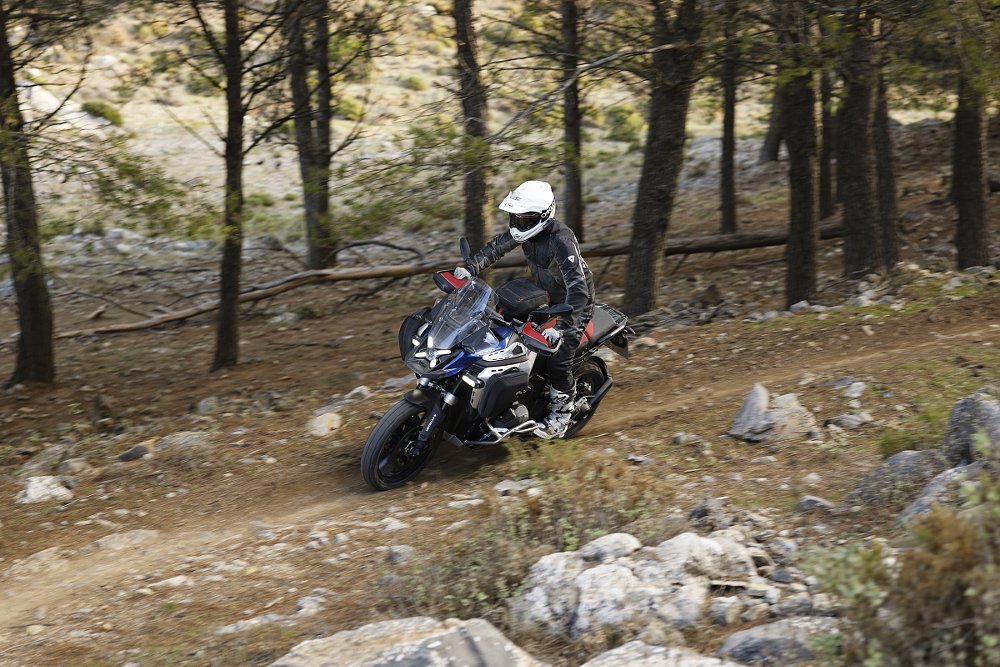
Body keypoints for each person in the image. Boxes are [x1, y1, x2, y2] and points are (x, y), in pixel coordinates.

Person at [454, 181, 595, 439]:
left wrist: (562, 327)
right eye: (515, 217)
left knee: (558, 357)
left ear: (543, 216)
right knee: (501, 327)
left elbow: (578, 290)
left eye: (524, 218)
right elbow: (497, 246)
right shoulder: (525, 230)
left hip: (575, 304)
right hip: (548, 294)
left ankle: (561, 416)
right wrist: (471, 268)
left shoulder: (561, 241)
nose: (518, 223)